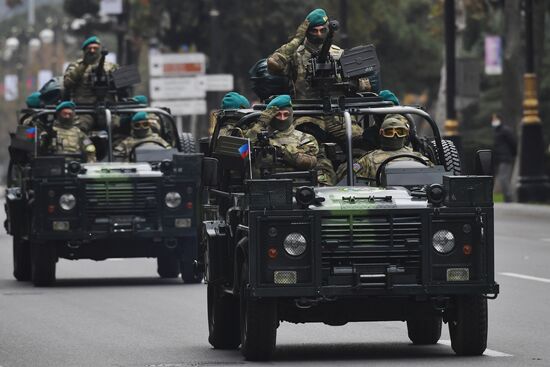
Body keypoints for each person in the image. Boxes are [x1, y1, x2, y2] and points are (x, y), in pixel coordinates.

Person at [266, 9, 373, 184]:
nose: (319, 34)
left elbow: (367, 84)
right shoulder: (294, 54)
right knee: (310, 150)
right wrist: (297, 38)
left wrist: (350, 84)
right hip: (306, 115)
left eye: (322, 30)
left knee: (361, 145)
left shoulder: (339, 54)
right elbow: (273, 64)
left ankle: (355, 177)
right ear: (307, 31)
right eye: (314, 30)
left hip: (338, 115)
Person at [337, 114, 432, 182]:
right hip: (382, 202)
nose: (395, 136)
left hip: (416, 200)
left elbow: (436, 179)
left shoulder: (418, 157)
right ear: (381, 134)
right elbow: (347, 183)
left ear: (406, 134)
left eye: (400, 132)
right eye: (389, 132)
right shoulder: (368, 160)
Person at [245, 95, 318, 177]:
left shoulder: (305, 138)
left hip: (294, 186)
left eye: (286, 114)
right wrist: (260, 124)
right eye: (278, 115)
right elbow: (241, 154)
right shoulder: (256, 136)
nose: (282, 119)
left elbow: (309, 163)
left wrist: (279, 148)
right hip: (259, 185)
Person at [63, 36, 118, 132]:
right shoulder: (76, 66)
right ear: (84, 51)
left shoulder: (111, 67)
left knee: (116, 127)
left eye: (95, 48)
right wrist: (84, 65)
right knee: (80, 129)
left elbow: (124, 87)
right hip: (83, 110)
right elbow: (67, 83)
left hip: (108, 110)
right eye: (89, 48)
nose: (92, 51)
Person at [492, 113, 517, 202]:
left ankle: (510, 198)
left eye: (494, 119)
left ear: (499, 119)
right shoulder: (497, 131)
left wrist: (512, 154)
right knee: (503, 178)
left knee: (503, 178)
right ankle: (508, 198)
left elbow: (513, 143)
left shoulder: (505, 130)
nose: (493, 121)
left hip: (506, 158)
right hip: (501, 158)